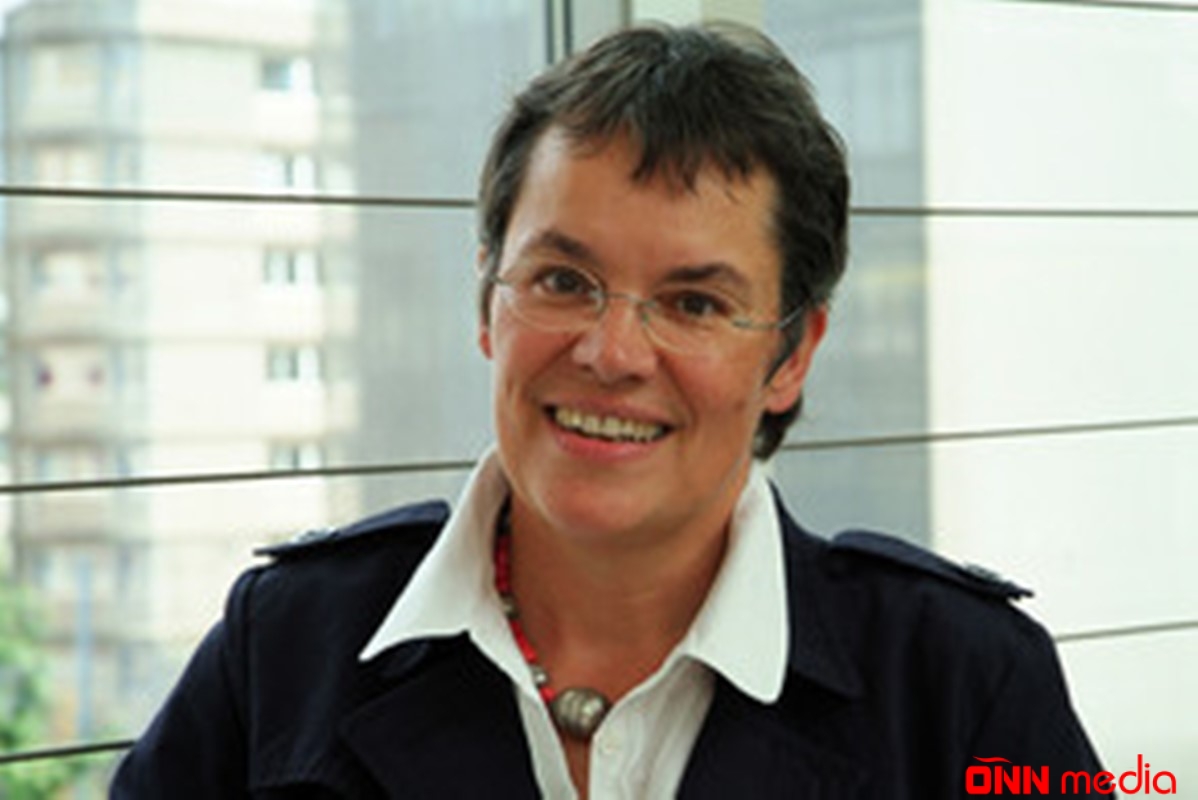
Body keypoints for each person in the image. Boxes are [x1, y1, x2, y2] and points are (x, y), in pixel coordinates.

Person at [112, 22, 1104, 799]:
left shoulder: (964, 684)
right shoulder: (285, 645)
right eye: (562, 280)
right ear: (487, 304)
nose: (612, 353)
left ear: (792, 354)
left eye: (694, 303)